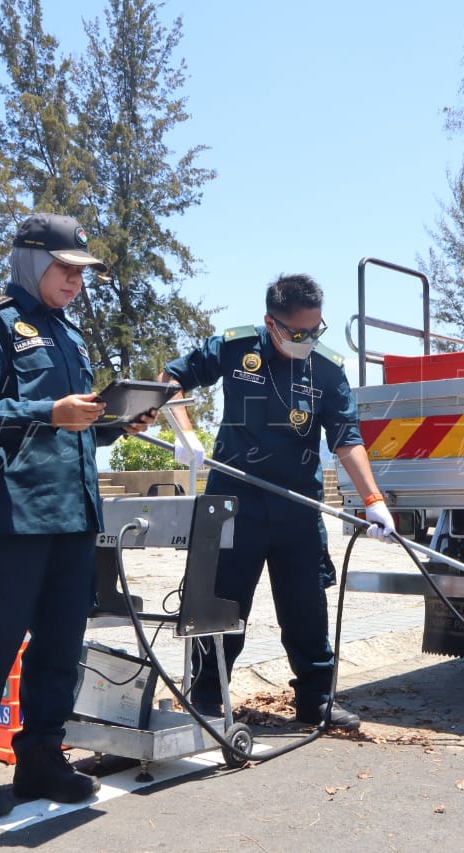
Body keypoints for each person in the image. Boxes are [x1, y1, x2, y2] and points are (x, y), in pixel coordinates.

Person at [0, 213, 154, 821]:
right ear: (31, 261)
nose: (75, 282)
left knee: (60, 645)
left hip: (72, 517)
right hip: (8, 517)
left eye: (82, 273)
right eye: (64, 269)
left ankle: (41, 758)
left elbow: (75, 427)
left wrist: (117, 422)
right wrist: (47, 411)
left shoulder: (70, 336)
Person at [158, 273, 395, 730]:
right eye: (298, 333)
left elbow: (346, 438)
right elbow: (173, 378)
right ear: (271, 323)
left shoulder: (326, 369)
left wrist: (373, 499)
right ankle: (207, 697)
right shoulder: (235, 349)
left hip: (296, 508)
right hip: (234, 503)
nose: (308, 340)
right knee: (222, 604)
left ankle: (316, 700)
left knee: (307, 608)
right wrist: (184, 432)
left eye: (315, 330)